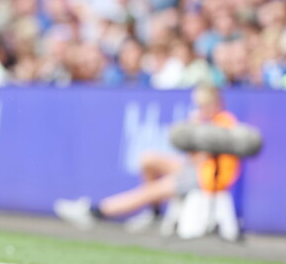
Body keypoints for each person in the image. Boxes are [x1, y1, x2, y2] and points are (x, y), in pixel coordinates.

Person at [54, 84, 241, 232]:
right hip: (197, 170)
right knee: (147, 159)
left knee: (152, 190)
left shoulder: (224, 122)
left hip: (207, 179)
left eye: (202, 105)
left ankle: (95, 212)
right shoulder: (209, 121)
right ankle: (155, 213)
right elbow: (192, 157)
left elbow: (200, 157)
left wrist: (194, 128)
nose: (199, 109)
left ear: (213, 104)